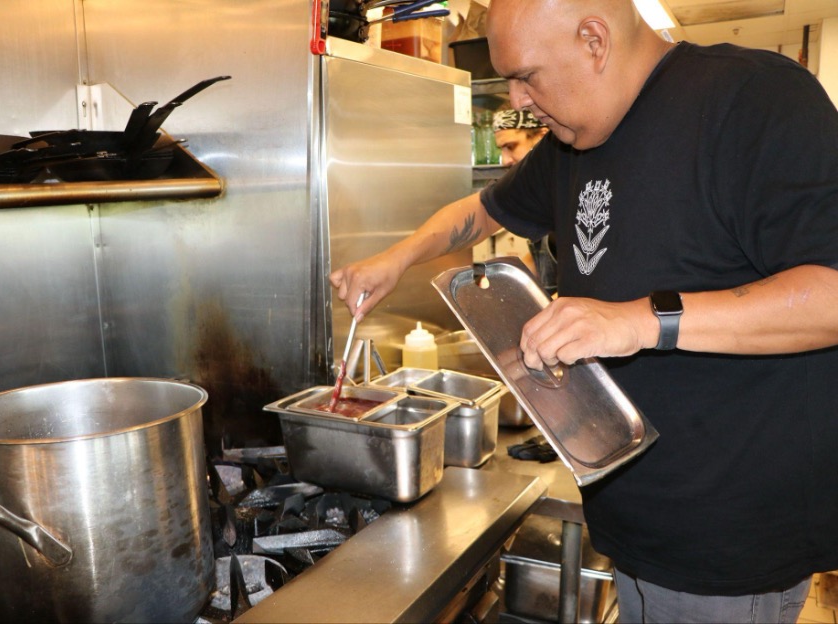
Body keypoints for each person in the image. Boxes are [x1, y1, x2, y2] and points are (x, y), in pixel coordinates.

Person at [329, 0, 838, 621]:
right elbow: (480, 211)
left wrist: (637, 320)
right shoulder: (575, 142)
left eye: (527, 75)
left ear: (594, 41)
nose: (516, 98)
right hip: (633, 526)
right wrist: (397, 259)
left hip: (726, 548)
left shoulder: (754, 101)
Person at [492, 108, 558, 295]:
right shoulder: (542, 194)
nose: (504, 160)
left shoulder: (570, 191)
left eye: (511, 146)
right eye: (501, 149)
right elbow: (543, 260)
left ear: (541, 137)